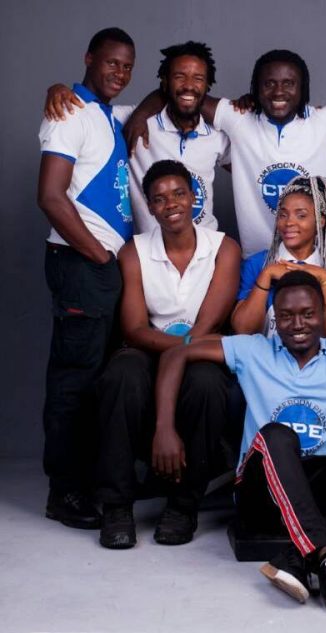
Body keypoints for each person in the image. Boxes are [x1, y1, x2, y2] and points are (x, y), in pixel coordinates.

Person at [154, 270, 326, 614]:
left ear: (323, 314)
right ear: (275, 318)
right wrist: (164, 428)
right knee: (277, 435)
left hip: (321, 494)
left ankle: (303, 556)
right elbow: (175, 355)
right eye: (286, 316)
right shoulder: (251, 349)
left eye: (308, 313)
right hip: (262, 494)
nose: (298, 324)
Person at [119, 49, 326, 256]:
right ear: (256, 88)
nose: (278, 91)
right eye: (268, 84)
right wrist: (139, 115)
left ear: (302, 87)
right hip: (257, 260)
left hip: (319, 260)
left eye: (289, 84)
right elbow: (183, 93)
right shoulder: (238, 119)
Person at [96, 160, 240, 549]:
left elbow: (208, 326)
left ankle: (182, 506)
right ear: (149, 206)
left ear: (193, 197)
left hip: (200, 349)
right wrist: (180, 350)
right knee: (122, 374)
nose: (171, 203)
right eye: (159, 198)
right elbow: (135, 329)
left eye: (178, 193)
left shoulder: (223, 248)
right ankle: (117, 505)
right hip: (150, 347)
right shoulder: (134, 252)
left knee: (208, 383)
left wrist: (187, 351)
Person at [37, 27, 136, 530]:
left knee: (98, 375)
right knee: (74, 379)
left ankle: (89, 479)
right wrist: (98, 255)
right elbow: (51, 196)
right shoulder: (70, 111)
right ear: (89, 58)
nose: (120, 73)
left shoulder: (104, 115)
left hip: (100, 268)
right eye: (111, 62)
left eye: (127, 67)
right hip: (81, 263)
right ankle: (64, 492)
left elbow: (155, 103)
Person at [44, 41, 230, 234]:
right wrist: (57, 90)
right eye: (179, 77)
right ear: (165, 82)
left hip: (207, 245)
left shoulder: (217, 136)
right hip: (149, 248)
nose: (189, 85)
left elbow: (247, 165)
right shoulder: (133, 121)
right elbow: (87, 111)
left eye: (198, 78)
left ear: (207, 85)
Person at [232, 175, 326, 339]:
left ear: (320, 222)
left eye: (301, 215)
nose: (289, 223)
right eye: (283, 215)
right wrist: (266, 275)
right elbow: (243, 330)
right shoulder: (257, 264)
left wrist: (324, 278)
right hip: (265, 354)